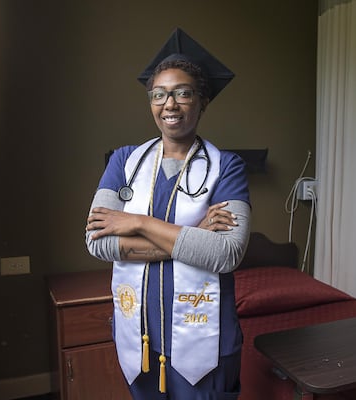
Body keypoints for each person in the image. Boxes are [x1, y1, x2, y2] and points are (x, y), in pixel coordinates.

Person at [85, 27, 251, 400]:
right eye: (158, 94)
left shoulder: (227, 167)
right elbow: (96, 242)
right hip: (139, 332)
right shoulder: (124, 162)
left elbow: (227, 254)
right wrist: (193, 232)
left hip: (205, 337)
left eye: (182, 93)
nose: (169, 104)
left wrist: (138, 222)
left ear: (202, 101)